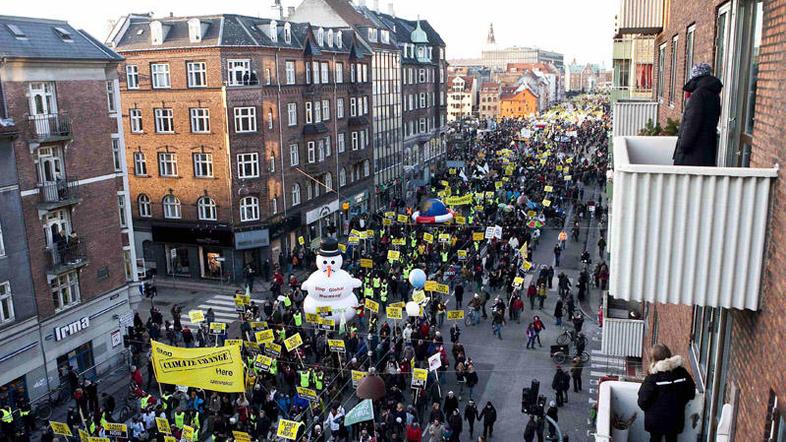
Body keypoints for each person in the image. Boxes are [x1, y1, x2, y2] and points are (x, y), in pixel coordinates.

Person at [638, 344, 696, 442]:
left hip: (656, 421)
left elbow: (642, 401)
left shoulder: (653, 378)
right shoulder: (682, 372)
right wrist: (679, 404)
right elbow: (691, 393)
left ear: (654, 359)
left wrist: (652, 410)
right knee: (672, 439)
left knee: (655, 439)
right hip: (675, 419)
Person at [673, 63, 723, 167]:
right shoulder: (714, 94)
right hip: (706, 151)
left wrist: (682, 148)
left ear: (695, 77)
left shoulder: (698, 95)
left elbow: (692, 123)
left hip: (692, 155)